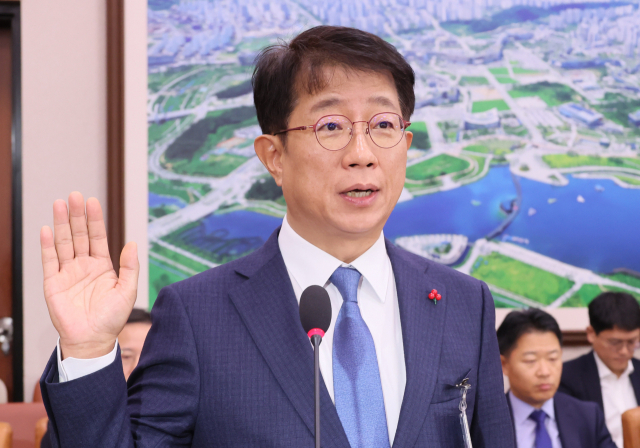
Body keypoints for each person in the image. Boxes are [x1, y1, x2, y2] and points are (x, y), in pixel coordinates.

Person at [38, 26, 514, 447]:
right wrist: (86, 352)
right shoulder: (199, 317)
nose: (362, 153)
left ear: (405, 145)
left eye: (384, 125)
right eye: (331, 126)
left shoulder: (463, 303)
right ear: (274, 157)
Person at [498, 308, 616, 448]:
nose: (544, 372)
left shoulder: (588, 416)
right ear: (503, 364)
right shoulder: (485, 423)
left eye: (553, 358)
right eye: (530, 360)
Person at [40, 308, 152, 448]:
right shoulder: (77, 420)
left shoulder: (172, 414)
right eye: (126, 356)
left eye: (149, 357)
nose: (138, 366)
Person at [559, 292, 640, 448]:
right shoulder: (566, 378)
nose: (624, 351)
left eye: (632, 342)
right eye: (615, 342)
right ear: (591, 334)